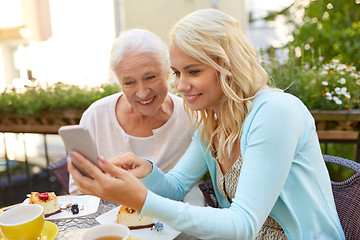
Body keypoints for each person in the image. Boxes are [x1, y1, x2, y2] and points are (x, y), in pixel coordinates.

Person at [68, 9, 345, 239]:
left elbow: (243, 225)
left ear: (228, 65)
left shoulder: (275, 112)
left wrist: (142, 199)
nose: (181, 85)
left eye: (194, 71)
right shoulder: (212, 123)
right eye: (177, 72)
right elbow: (175, 187)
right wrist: (146, 171)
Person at [68, 29, 195, 194]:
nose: (142, 93)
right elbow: (78, 190)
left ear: (167, 72)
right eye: (129, 82)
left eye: (150, 78)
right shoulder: (96, 116)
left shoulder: (190, 115)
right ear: (119, 82)